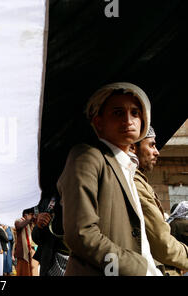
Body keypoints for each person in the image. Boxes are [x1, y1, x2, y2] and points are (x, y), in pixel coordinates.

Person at [58, 82, 161, 276]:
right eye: (117, 112)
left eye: (135, 113)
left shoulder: (128, 168)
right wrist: (135, 268)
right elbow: (81, 234)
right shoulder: (88, 157)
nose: (128, 120)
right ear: (99, 122)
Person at [131, 127, 188, 275]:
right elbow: (162, 244)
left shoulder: (138, 181)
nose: (157, 152)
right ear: (132, 148)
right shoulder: (134, 184)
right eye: (151, 145)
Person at [31, 191, 69, 276]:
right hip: (50, 261)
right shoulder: (49, 200)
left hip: (77, 261)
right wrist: (39, 225)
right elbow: (36, 238)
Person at [14, 207, 38, 276]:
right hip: (23, 252)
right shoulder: (18, 221)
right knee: (23, 272)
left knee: (33, 271)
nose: (33, 216)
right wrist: (29, 219)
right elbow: (19, 226)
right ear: (25, 215)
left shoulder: (31, 223)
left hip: (32, 250)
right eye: (31, 214)